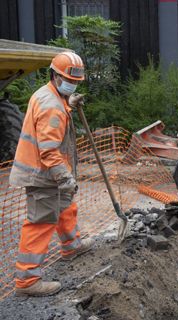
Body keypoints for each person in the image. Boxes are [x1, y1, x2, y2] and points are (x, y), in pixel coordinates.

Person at [9, 51, 94, 297]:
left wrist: (70, 102)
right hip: (42, 175)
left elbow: (56, 108)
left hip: (49, 173)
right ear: (55, 76)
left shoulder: (51, 94)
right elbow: (48, 151)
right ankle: (27, 280)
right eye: (70, 80)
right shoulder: (52, 107)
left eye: (76, 82)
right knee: (41, 223)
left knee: (66, 207)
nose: (73, 84)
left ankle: (71, 246)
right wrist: (65, 178)